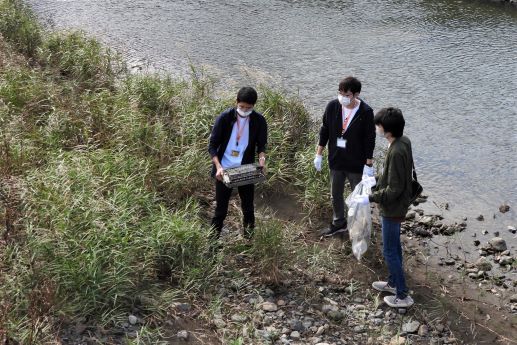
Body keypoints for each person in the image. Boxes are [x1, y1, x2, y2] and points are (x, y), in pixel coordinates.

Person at [354, 107, 415, 308]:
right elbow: (395, 177)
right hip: (397, 205)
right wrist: (376, 180)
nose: (377, 128)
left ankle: (403, 295)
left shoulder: (397, 150)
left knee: (390, 250)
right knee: (394, 246)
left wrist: (370, 198)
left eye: (379, 126)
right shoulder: (402, 141)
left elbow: (395, 189)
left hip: (393, 208)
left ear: (387, 130)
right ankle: (393, 282)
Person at [314, 76, 375, 236]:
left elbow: (370, 139)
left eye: (346, 95)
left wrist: (368, 164)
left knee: (358, 197)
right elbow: (325, 130)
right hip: (336, 159)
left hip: (356, 162)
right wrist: (319, 154)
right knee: (336, 194)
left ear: (356, 94)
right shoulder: (333, 106)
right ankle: (338, 223)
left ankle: (358, 225)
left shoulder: (365, 112)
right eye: (340, 93)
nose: (342, 97)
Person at [208, 87, 267, 239]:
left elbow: (261, 145)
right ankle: (212, 242)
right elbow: (212, 146)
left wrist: (262, 161)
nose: (244, 110)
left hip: (245, 169)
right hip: (224, 170)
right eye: (241, 107)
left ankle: (249, 240)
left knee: (248, 208)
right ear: (236, 102)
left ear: (253, 106)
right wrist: (218, 167)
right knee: (221, 210)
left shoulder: (259, 121)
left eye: (248, 108)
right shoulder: (225, 118)